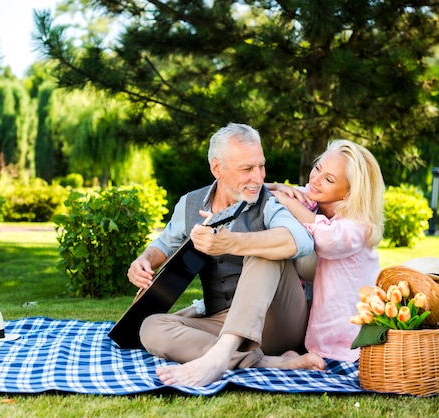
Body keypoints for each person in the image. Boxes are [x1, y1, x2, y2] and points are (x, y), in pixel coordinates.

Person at [127, 123, 324, 387]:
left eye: (261, 166)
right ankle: (262, 361)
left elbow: (300, 240)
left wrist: (232, 242)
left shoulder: (270, 201)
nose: (258, 177)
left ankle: (220, 358)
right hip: (224, 319)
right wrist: (143, 261)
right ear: (216, 168)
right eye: (247, 169)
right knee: (151, 328)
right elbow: (164, 245)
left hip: (278, 320)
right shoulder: (191, 203)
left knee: (264, 249)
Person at [267, 139, 385, 362]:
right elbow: (261, 191)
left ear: (348, 194)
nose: (316, 180)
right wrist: (279, 188)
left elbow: (328, 239)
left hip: (348, 332)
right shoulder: (314, 199)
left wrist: (289, 203)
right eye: (317, 168)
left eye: (329, 179)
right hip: (312, 317)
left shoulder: (359, 225)